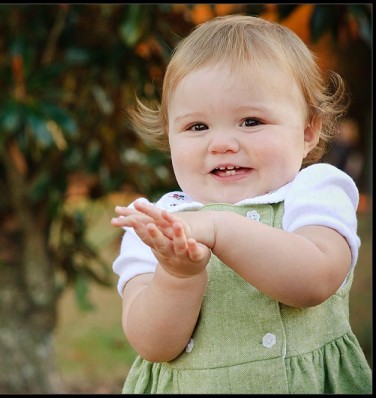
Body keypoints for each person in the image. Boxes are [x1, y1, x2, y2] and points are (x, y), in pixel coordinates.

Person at [110, 15, 372, 394]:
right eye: (197, 127)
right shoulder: (160, 224)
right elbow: (153, 345)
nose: (222, 144)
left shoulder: (314, 190)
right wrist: (178, 275)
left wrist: (219, 228)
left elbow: (316, 279)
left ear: (307, 131)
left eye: (250, 121)